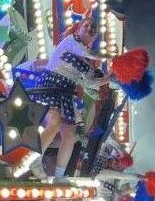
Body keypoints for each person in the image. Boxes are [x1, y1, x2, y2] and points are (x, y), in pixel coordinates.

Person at [29, 18, 112, 178]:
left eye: (92, 28)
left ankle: (60, 177)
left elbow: (91, 83)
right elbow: (89, 52)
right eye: (85, 25)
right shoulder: (70, 41)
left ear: (94, 36)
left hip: (67, 93)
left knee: (70, 137)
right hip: (51, 85)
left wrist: (111, 78)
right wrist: (112, 56)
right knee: (55, 122)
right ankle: (34, 159)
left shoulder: (87, 64)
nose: (89, 28)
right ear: (77, 29)